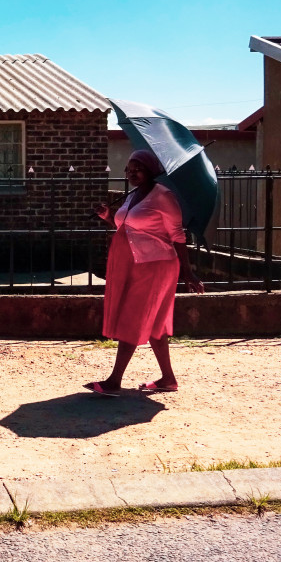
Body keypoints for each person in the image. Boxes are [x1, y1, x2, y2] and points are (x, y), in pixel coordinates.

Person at [85, 149, 205, 397]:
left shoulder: (164, 196)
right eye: (128, 169)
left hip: (157, 265)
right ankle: (168, 379)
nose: (131, 173)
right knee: (155, 325)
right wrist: (108, 217)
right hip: (135, 263)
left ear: (150, 170)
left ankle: (114, 380)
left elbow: (177, 237)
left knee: (133, 316)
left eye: (137, 169)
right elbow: (127, 227)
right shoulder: (133, 196)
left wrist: (188, 273)